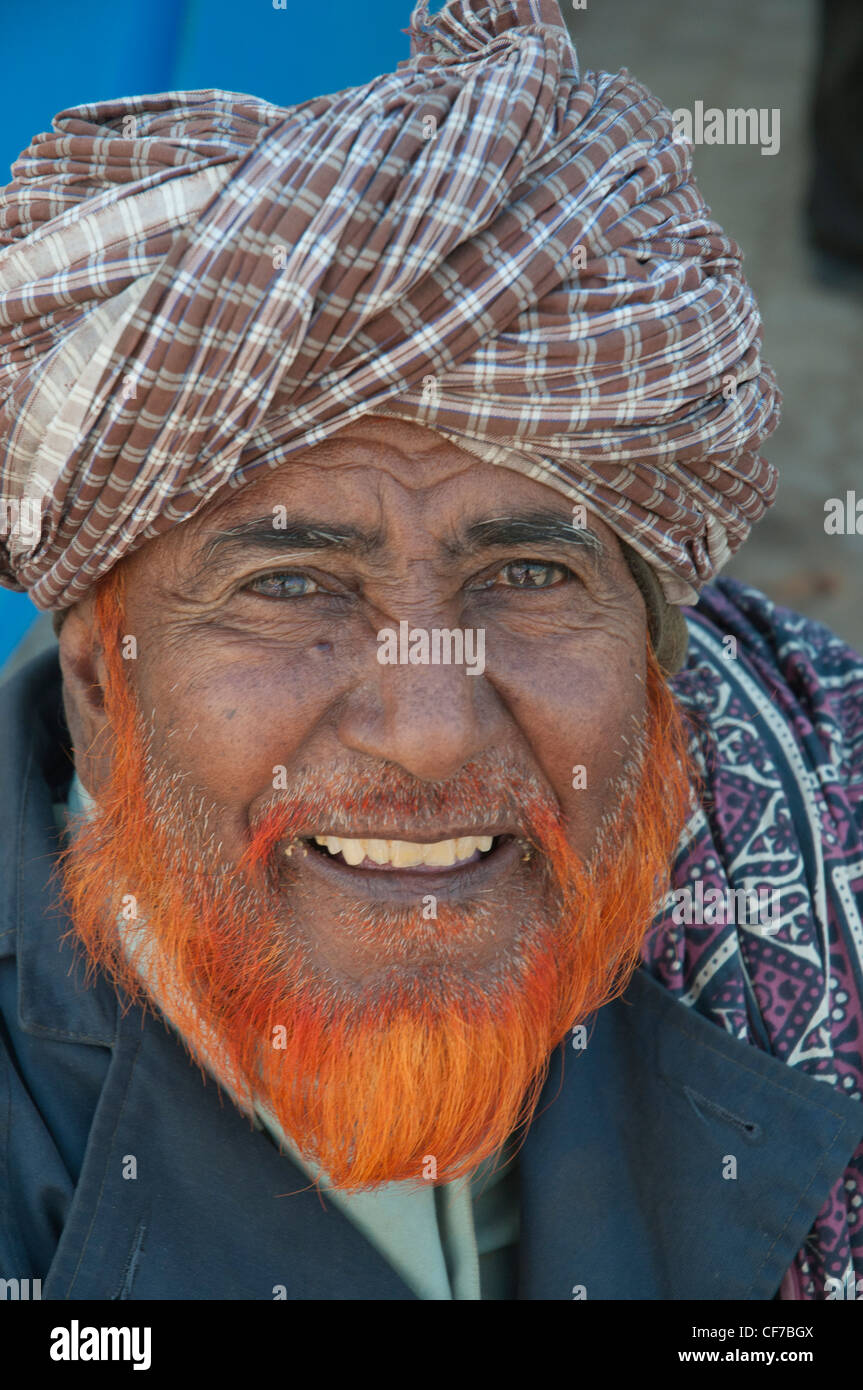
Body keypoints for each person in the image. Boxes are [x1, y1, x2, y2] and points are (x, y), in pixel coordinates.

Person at [0, 0, 860, 1301]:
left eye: (529, 572)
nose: (431, 725)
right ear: (94, 687)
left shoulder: (814, 826)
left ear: (652, 649)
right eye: (291, 584)